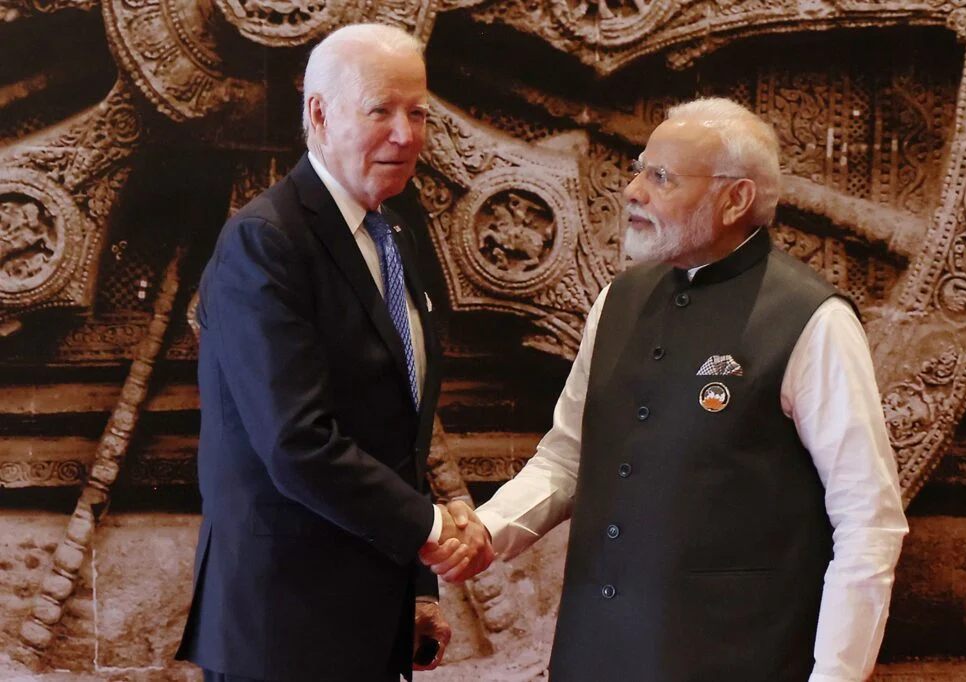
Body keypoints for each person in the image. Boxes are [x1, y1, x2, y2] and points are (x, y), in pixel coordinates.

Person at [427, 97, 909, 682]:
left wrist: (835, 676)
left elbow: (868, 522)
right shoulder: (616, 302)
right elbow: (567, 458)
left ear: (735, 199)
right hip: (593, 657)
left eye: (661, 177)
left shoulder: (814, 320)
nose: (633, 190)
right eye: (638, 169)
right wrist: (489, 529)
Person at [175, 23, 490, 682]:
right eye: (381, 111)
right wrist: (433, 530)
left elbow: (392, 431)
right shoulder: (265, 242)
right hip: (284, 628)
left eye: (418, 112)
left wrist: (419, 590)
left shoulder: (395, 230)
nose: (406, 135)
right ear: (319, 114)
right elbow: (297, 441)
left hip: (368, 617)